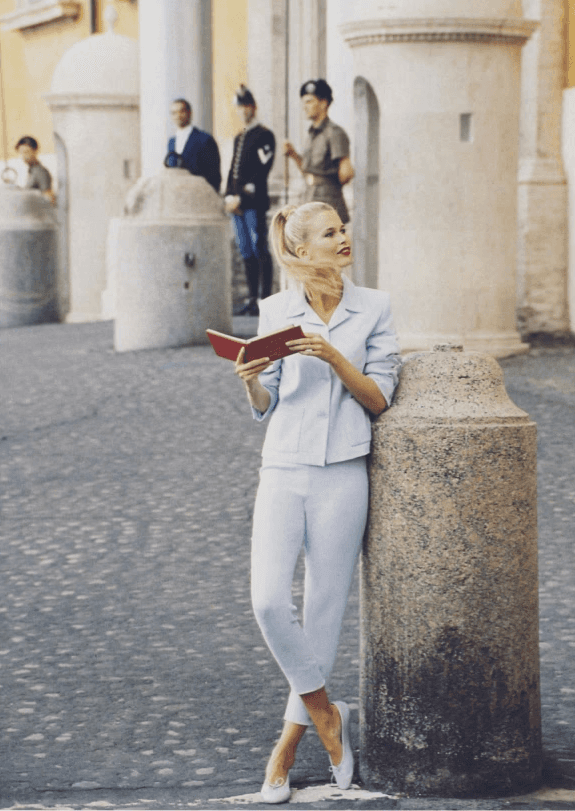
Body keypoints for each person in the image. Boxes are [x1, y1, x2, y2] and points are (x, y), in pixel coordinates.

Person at [233, 202, 401, 803]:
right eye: (331, 233)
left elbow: (379, 397)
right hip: (283, 466)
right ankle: (328, 714)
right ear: (302, 250)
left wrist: (333, 355)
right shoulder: (276, 310)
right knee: (269, 600)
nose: (344, 237)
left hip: (343, 470)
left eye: (344, 227)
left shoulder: (374, 307)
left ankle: (288, 743)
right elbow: (266, 402)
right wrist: (252, 377)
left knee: (324, 610)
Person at [225, 85, 276, 316]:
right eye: (240, 107)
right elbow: (232, 171)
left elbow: (262, 171)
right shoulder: (239, 138)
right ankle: (252, 298)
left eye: (245, 106)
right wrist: (228, 195)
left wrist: (240, 196)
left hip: (253, 202)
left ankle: (265, 299)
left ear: (253, 108)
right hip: (237, 205)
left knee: (259, 248)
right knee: (245, 250)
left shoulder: (264, 135)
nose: (242, 111)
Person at [284, 79, 354, 225]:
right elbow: (308, 170)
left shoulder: (334, 133)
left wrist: (331, 185)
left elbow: (347, 172)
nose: (304, 107)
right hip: (308, 197)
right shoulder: (311, 134)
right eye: (303, 102)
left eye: (309, 101)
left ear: (323, 103)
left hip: (327, 202)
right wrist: (293, 154)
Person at [165, 98, 221, 193]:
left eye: (181, 111)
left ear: (189, 113)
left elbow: (214, 175)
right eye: (174, 113)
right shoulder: (171, 142)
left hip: (198, 195)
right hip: (176, 198)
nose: (178, 116)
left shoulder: (204, 139)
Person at [16, 136, 55, 204]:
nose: (24, 156)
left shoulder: (40, 172)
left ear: (35, 151)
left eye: (26, 152)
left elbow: (50, 198)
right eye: (21, 153)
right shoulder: (32, 171)